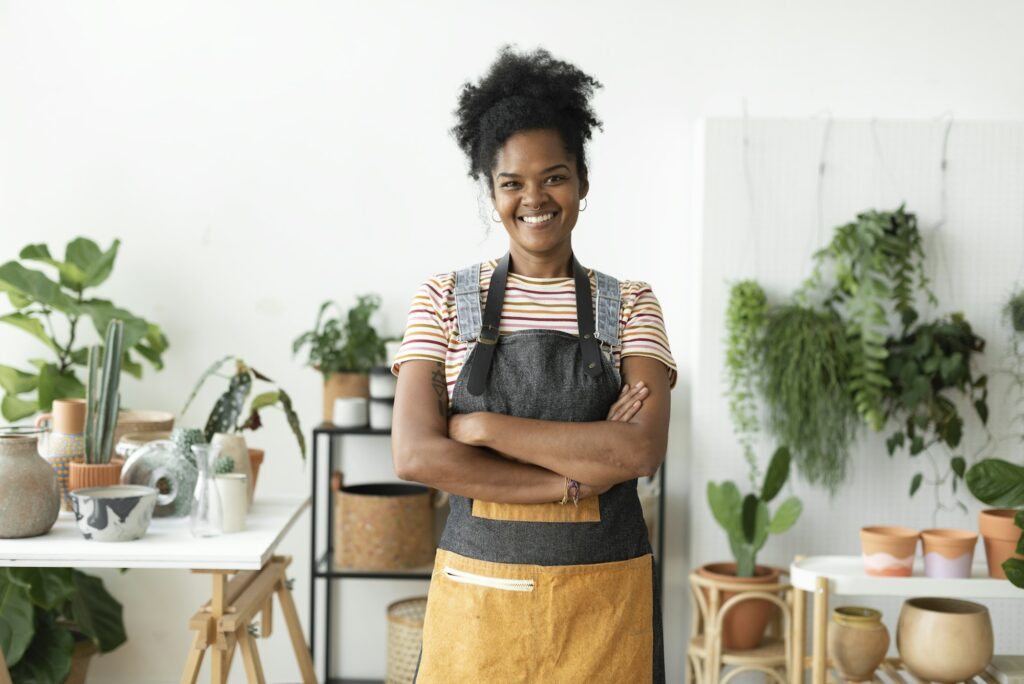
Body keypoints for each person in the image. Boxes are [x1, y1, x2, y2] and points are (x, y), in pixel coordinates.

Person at [391, 46, 676, 683]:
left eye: (554, 176)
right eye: (511, 183)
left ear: (582, 180)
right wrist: (571, 480)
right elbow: (415, 456)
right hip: (479, 598)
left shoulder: (631, 304)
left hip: (603, 602)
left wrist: (485, 431)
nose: (534, 199)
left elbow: (638, 454)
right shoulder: (441, 299)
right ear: (491, 192)